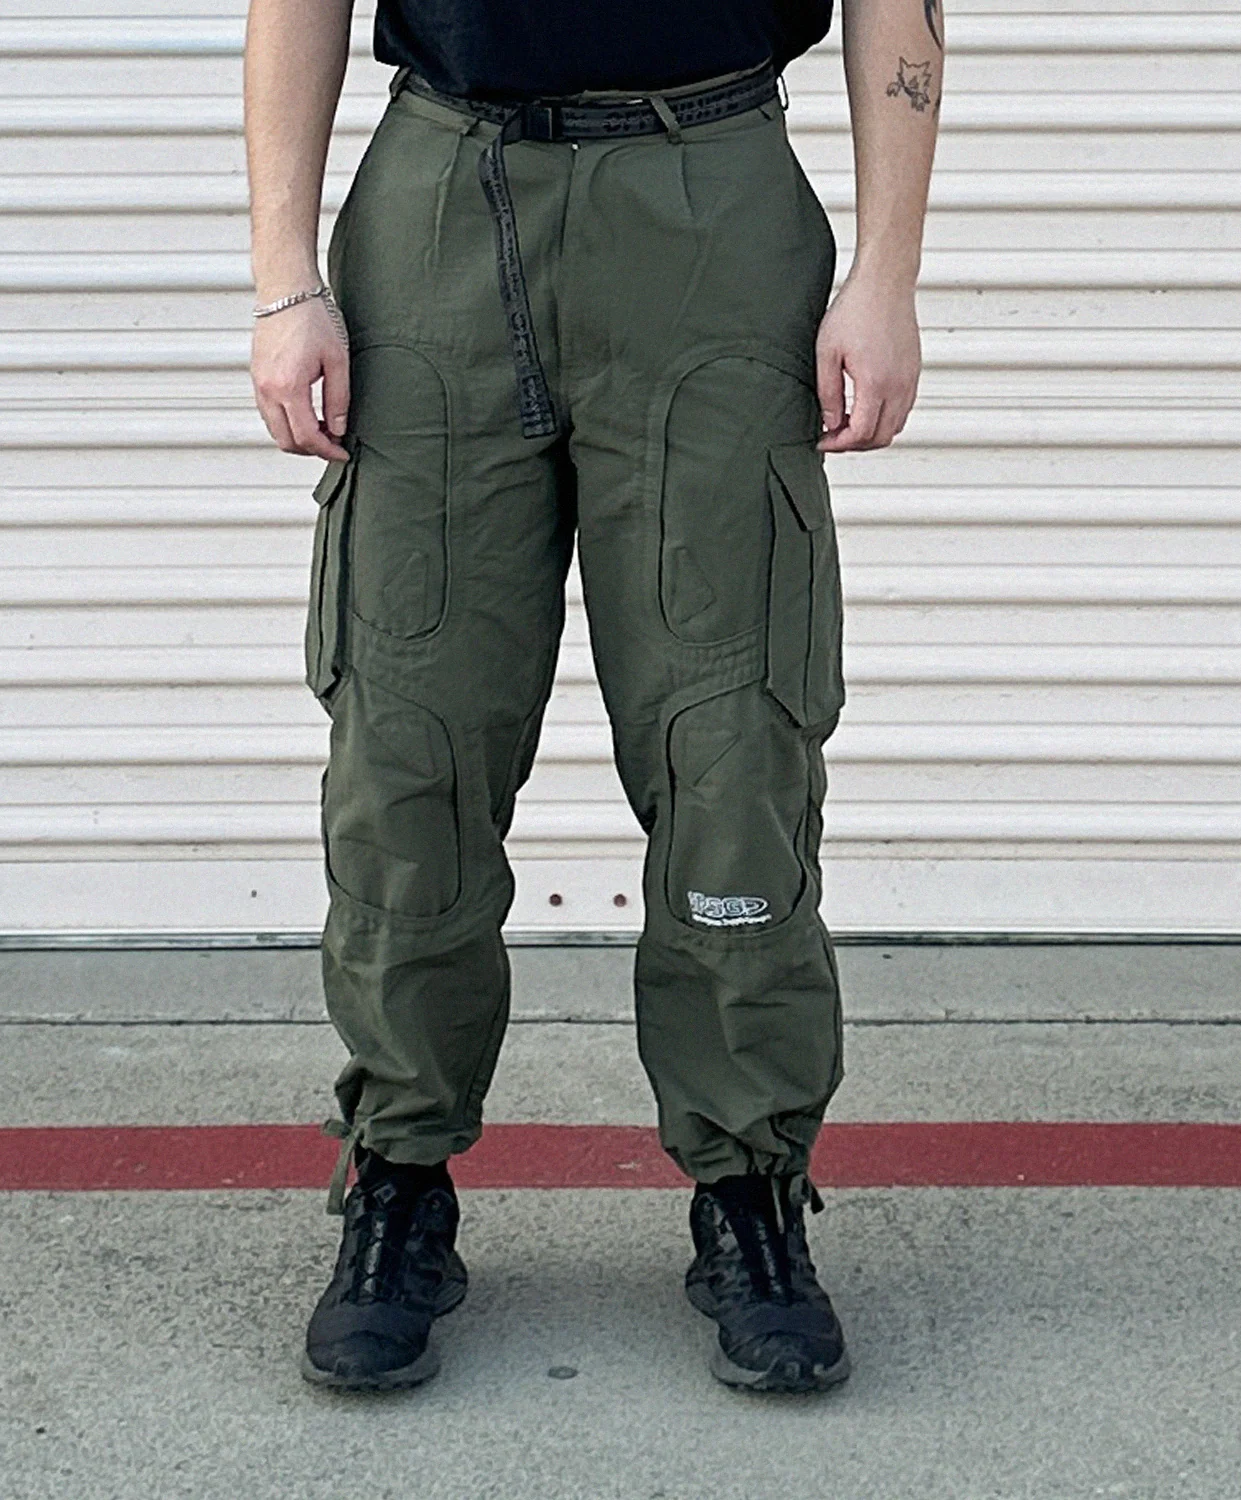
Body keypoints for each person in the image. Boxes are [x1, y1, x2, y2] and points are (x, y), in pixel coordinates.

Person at [245, 0, 942, 1393]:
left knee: (731, 736)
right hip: (441, 203)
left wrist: (887, 274)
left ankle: (749, 1190)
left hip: (712, 200)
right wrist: (283, 279)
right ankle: (399, 1178)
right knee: (409, 737)